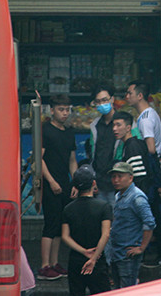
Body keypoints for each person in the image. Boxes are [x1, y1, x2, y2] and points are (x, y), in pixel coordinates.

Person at [125, 80, 161, 268]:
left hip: (150, 168)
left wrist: (139, 149)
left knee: (150, 213)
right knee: (154, 213)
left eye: (129, 93)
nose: (126, 96)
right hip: (154, 167)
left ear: (139, 95)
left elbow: (151, 148)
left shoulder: (144, 119)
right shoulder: (151, 113)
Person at [39, 94, 78, 281]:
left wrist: (75, 182)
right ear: (52, 110)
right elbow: (38, 159)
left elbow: (72, 160)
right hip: (49, 184)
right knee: (50, 224)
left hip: (65, 183)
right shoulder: (45, 130)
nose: (64, 113)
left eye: (67, 109)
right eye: (61, 109)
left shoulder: (69, 132)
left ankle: (54, 263)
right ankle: (44, 265)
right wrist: (51, 181)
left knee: (60, 226)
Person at [61, 165, 113, 296]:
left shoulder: (68, 209)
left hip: (75, 259)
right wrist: (94, 259)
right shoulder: (104, 207)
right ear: (94, 183)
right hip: (98, 260)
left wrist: (83, 251)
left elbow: (65, 236)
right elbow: (105, 234)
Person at [108, 161, 155, 289]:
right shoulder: (119, 195)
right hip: (116, 252)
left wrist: (141, 248)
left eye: (120, 176)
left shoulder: (137, 198)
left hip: (128, 254)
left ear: (130, 178)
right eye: (114, 176)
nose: (116, 180)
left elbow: (149, 223)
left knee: (127, 290)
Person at [87, 84, 118, 207]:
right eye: (98, 101)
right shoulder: (94, 125)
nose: (102, 104)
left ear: (112, 99)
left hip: (117, 182)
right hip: (99, 182)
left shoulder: (123, 122)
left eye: (105, 100)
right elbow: (93, 154)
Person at [112, 111, 153, 193]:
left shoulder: (132, 146)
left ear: (128, 128)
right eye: (113, 125)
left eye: (118, 125)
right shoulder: (128, 144)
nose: (114, 129)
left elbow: (139, 177)